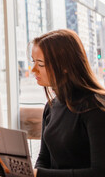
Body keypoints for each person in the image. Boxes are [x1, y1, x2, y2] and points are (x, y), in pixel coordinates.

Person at [30, 29, 105, 177]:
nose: (33, 70)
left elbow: (100, 172)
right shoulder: (51, 106)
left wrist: (38, 174)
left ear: (65, 66)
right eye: (33, 62)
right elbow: (43, 159)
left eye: (40, 64)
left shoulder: (96, 107)